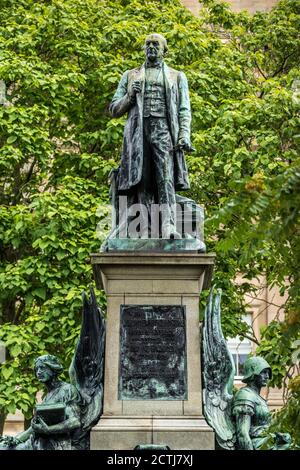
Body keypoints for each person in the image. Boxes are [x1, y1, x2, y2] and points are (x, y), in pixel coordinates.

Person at [109, 33, 193, 238]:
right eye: (148, 44)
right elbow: (113, 109)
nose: (151, 47)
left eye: (156, 44)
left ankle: (168, 226)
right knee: (142, 178)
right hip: (137, 133)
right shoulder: (130, 75)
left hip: (164, 131)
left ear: (165, 50)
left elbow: (184, 109)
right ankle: (144, 227)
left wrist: (184, 134)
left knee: (165, 179)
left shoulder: (176, 76)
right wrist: (129, 96)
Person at [0, 355, 81, 450]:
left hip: (55, 443)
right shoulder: (47, 397)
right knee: (3, 446)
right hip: (38, 441)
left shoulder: (67, 390)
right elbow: (33, 428)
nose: (38, 372)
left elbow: (75, 421)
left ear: (53, 369)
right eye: (37, 369)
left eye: (42, 368)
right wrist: (15, 439)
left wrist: (49, 430)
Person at [232, 356, 291, 450]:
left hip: (266, 441)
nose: (267, 376)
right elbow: (242, 433)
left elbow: (263, 426)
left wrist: (279, 435)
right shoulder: (245, 395)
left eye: (268, 373)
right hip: (256, 444)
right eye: (263, 372)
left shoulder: (259, 398)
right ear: (252, 373)